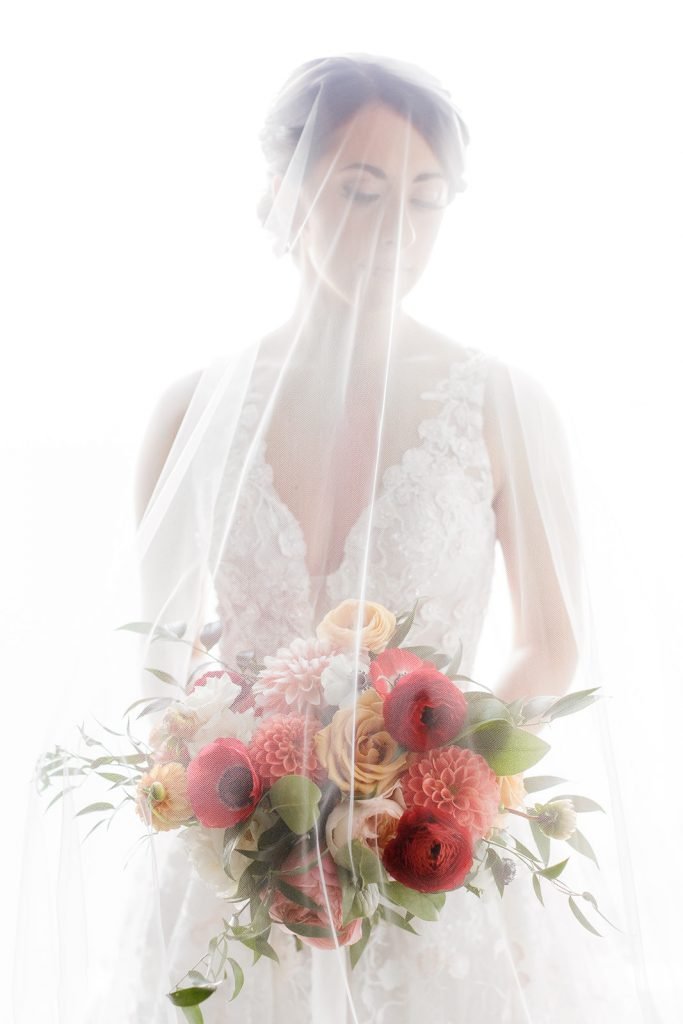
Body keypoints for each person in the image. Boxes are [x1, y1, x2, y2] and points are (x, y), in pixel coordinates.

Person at [21, 53, 659, 1023]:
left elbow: (549, 639)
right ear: (281, 197)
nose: (394, 232)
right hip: (244, 876)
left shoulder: (500, 404)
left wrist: (433, 791)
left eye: (424, 200)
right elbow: (158, 654)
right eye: (359, 193)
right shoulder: (190, 410)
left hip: (432, 866)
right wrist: (228, 790)